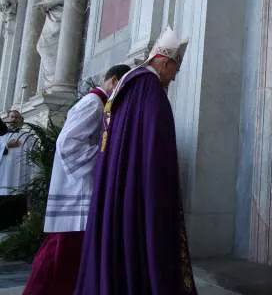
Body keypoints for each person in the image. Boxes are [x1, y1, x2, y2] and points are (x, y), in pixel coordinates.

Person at [75, 26, 196, 294]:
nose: (173, 79)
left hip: (118, 187)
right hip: (139, 190)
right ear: (164, 62)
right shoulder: (150, 90)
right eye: (175, 70)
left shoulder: (130, 85)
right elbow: (156, 150)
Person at [22, 64, 131, 295]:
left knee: (64, 254)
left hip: (80, 188)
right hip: (77, 191)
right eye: (121, 86)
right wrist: (106, 156)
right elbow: (69, 145)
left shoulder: (100, 105)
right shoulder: (93, 103)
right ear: (112, 81)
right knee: (60, 254)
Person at [0, 110, 28, 230]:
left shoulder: (28, 137)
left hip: (20, 182)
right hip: (3, 179)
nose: (14, 120)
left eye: (17, 118)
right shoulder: (1, 137)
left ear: (21, 121)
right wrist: (6, 146)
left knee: (17, 218)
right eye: (11, 117)